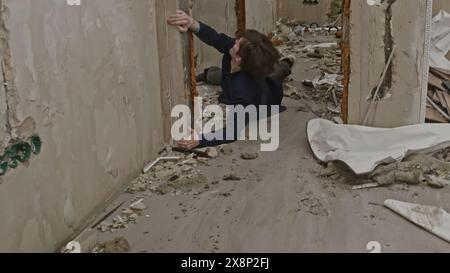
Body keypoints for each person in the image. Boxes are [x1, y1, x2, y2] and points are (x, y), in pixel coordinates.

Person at [167, 10, 295, 150]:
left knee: (277, 73)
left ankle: (287, 63)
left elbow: (232, 132)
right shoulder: (235, 53)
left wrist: (200, 140)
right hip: (233, 79)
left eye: (236, 44)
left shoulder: (244, 94)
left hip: (269, 96)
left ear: (238, 58)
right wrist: (191, 23)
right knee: (212, 75)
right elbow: (216, 38)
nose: (233, 42)